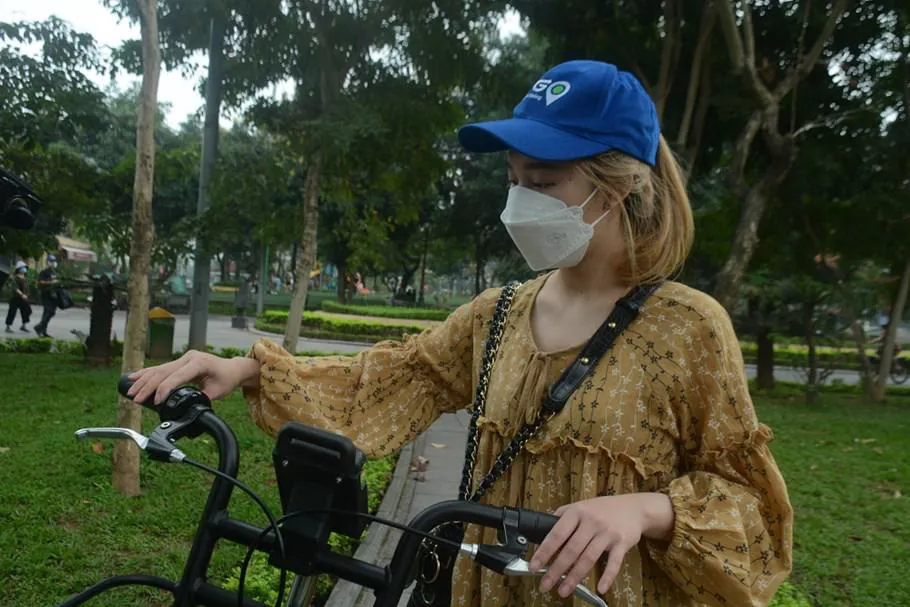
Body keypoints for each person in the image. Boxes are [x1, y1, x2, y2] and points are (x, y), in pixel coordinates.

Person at [128, 61, 793, 607]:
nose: (520, 200)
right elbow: (394, 378)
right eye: (514, 179)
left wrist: (645, 509)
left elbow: (754, 518)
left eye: (543, 181)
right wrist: (247, 369)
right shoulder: (497, 314)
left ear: (617, 185)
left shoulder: (687, 329)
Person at [34, 254, 59, 338]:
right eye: (51, 261)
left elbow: (56, 281)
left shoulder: (54, 272)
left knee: (49, 313)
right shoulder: (44, 272)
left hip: (53, 295)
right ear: (48, 262)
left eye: (54, 261)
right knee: (49, 311)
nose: (53, 263)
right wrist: (50, 282)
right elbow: (40, 282)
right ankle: (39, 328)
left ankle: (43, 330)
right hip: (46, 294)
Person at [5, 261, 32, 333]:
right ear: (18, 269)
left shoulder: (25, 277)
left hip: (24, 298)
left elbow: (26, 288)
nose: (24, 269)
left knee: (27, 311)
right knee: (12, 312)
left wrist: (27, 295)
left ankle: (23, 326)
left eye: (25, 267)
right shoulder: (14, 277)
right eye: (22, 268)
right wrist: (22, 295)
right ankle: (8, 326)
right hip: (15, 298)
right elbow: (15, 288)